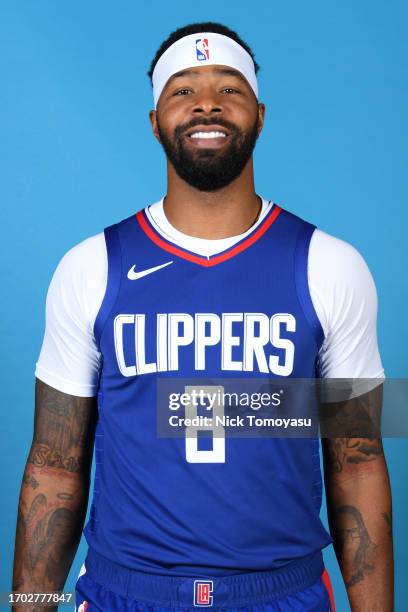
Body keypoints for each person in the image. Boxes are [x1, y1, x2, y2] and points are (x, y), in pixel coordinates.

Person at [12, 21, 393, 612]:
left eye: (229, 88)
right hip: (126, 592)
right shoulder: (90, 268)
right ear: (154, 120)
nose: (208, 103)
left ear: (260, 115)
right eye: (183, 90)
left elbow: (358, 462)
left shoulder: (331, 266)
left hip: (279, 593)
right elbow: (55, 467)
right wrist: (27, 605)